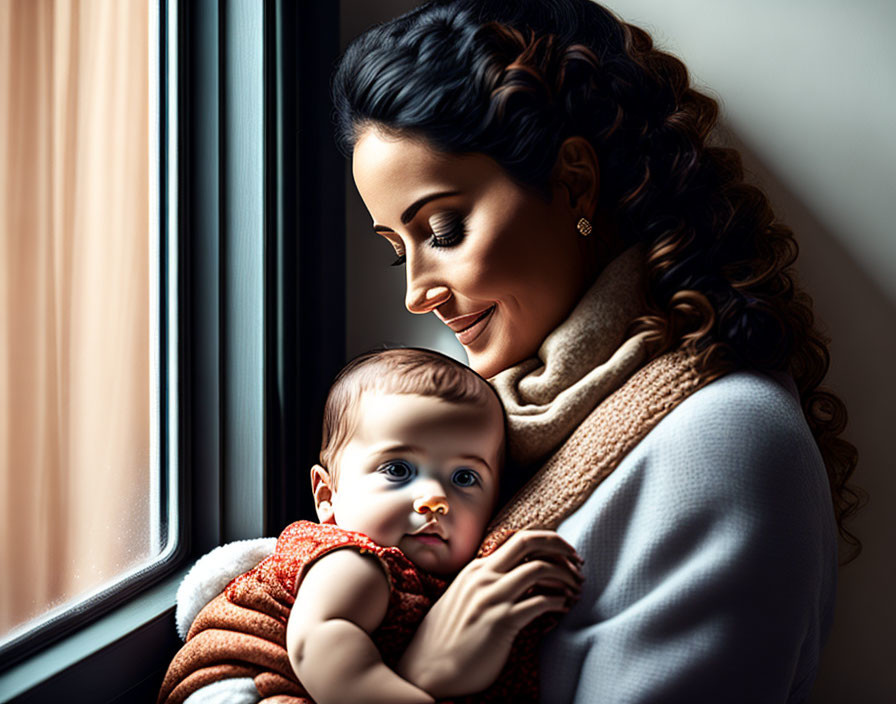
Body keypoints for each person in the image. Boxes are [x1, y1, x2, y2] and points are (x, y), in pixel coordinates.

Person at [328, 1, 862, 702]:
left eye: (446, 229)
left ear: (574, 181)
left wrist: (419, 678)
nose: (417, 294)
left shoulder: (724, 440)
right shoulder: (488, 416)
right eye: (399, 251)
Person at [157, 347, 582, 704]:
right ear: (327, 496)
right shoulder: (353, 561)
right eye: (398, 469)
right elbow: (319, 645)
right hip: (249, 681)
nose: (434, 499)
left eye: (464, 478)